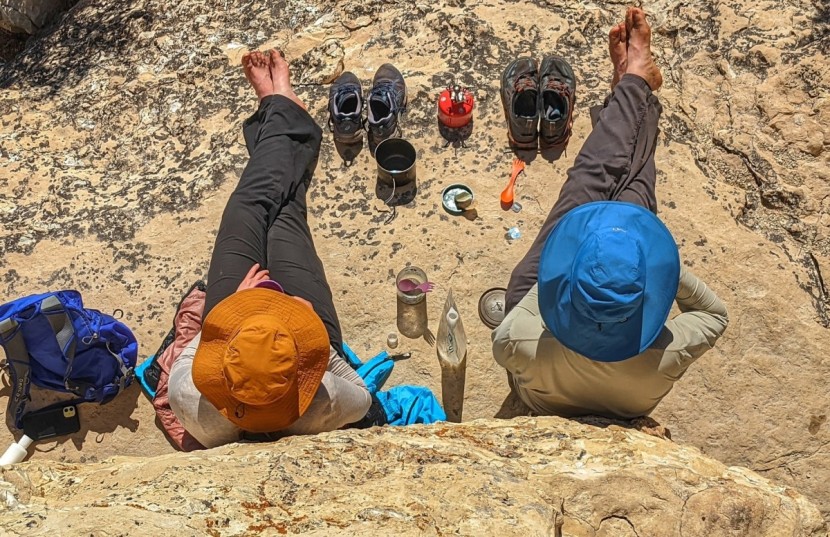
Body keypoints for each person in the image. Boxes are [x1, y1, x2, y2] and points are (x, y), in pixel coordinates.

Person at [492, 8, 729, 419]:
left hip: (542, 384)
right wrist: (651, 265)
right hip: (619, 381)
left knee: (593, 184)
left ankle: (632, 88)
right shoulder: (665, 355)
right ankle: (632, 86)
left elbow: (531, 302)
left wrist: (590, 261)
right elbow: (715, 314)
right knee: (621, 198)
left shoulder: (517, 341)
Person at [168, 50, 374, 448]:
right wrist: (314, 341)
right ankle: (282, 111)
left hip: (240, 332)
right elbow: (362, 396)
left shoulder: (194, 400)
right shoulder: (319, 404)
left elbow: (196, 353)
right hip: (287, 336)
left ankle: (280, 112)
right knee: (283, 216)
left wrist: (226, 321)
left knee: (249, 206)